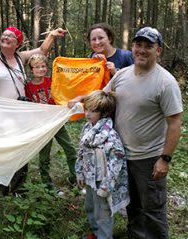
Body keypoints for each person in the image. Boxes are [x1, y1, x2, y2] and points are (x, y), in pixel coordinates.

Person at [69, 27, 182, 239]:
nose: (142, 50)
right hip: (121, 154)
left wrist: (165, 159)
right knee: (132, 203)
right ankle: (136, 235)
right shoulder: (123, 74)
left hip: (148, 158)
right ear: (132, 47)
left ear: (158, 51)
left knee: (152, 207)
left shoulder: (165, 83)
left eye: (148, 46)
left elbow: (175, 123)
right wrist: (81, 99)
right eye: (138, 45)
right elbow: (103, 94)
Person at [0, 25, 67, 195]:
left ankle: (18, 187)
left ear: (17, 44)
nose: (5, 37)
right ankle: (1, 186)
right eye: (3, 35)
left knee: (19, 151)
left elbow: (42, 51)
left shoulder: (21, 58)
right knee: (1, 151)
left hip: (18, 115)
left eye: (10, 36)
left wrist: (51, 35)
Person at [75, 90, 129, 239]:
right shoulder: (87, 128)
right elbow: (81, 151)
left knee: (103, 212)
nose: (87, 114)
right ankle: (95, 232)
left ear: (104, 113)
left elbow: (117, 161)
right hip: (89, 177)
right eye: (86, 109)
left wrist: (107, 184)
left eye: (93, 111)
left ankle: (104, 236)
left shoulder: (110, 135)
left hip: (103, 180)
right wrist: (79, 171)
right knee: (90, 207)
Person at [24, 54, 78, 192]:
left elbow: (64, 90)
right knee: (44, 157)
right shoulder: (28, 87)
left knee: (70, 149)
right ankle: (48, 186)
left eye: (43, 66)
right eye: (37, 67)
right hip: (43, 125)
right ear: (31, 69)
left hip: (57, 121)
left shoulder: (52, 81)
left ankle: (75, 179)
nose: (41, 69)